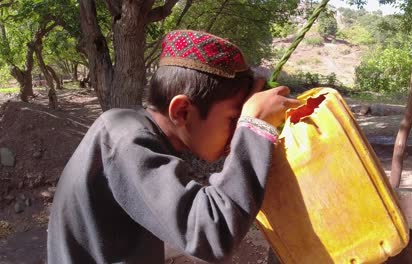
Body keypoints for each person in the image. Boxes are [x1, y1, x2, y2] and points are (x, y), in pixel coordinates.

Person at [47, 30, 300, 264]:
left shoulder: (136, 132)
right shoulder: (124, 140)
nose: (235, 134)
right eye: (234, 119)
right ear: (181, 111)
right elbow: (213, 233)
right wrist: (254, 127)